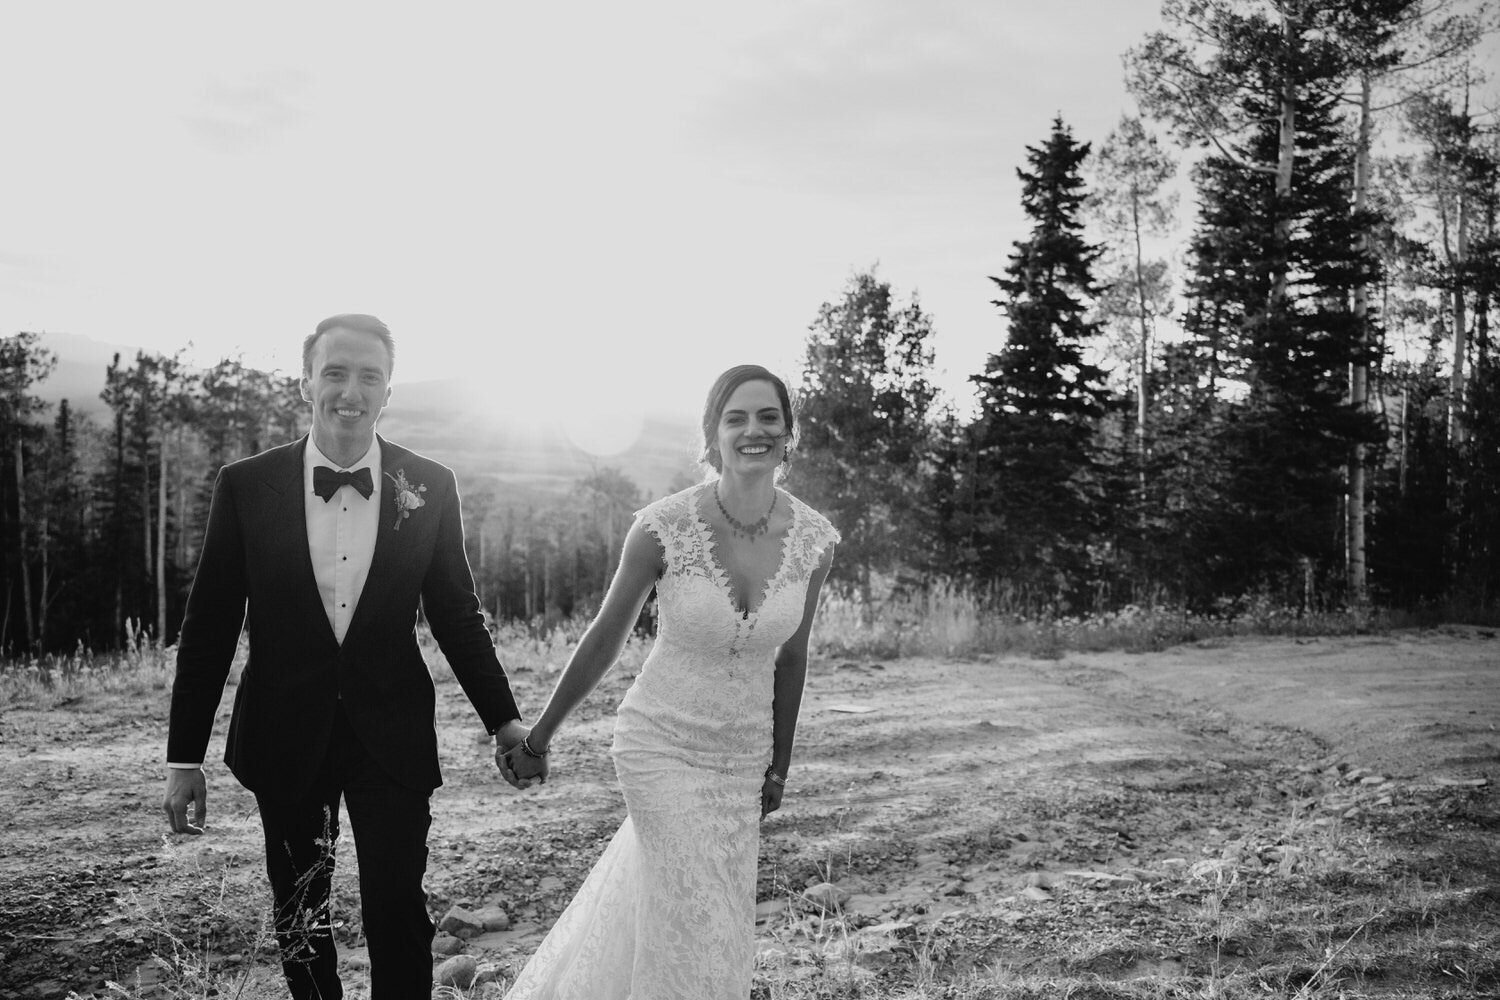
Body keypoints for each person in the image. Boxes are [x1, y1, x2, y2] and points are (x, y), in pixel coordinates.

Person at [161, 313, 537, 1000]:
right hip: (282, 729)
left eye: (370, 376)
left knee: (398, 909)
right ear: (306, 382)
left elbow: (455, 611)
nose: (351, 392)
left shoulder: (429, 484)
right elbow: (210, 623)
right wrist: (184, 757)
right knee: (300, 915)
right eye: (335, 373)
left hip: (390, 730)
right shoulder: (248, 486)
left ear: (388, 391)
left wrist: (505, 722)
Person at [498, 364, 839, 999]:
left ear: (789, 433)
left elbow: (793, 659)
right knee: (695, 912)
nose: (753, 430)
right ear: (713, 435)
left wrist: (780, 765)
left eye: (768, 416)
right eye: (735, 417)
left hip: (739, 762)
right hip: (659, 744)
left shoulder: (814, 540)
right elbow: (606, 635)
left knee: (710, 916)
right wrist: (540, 737)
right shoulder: (663, 527)